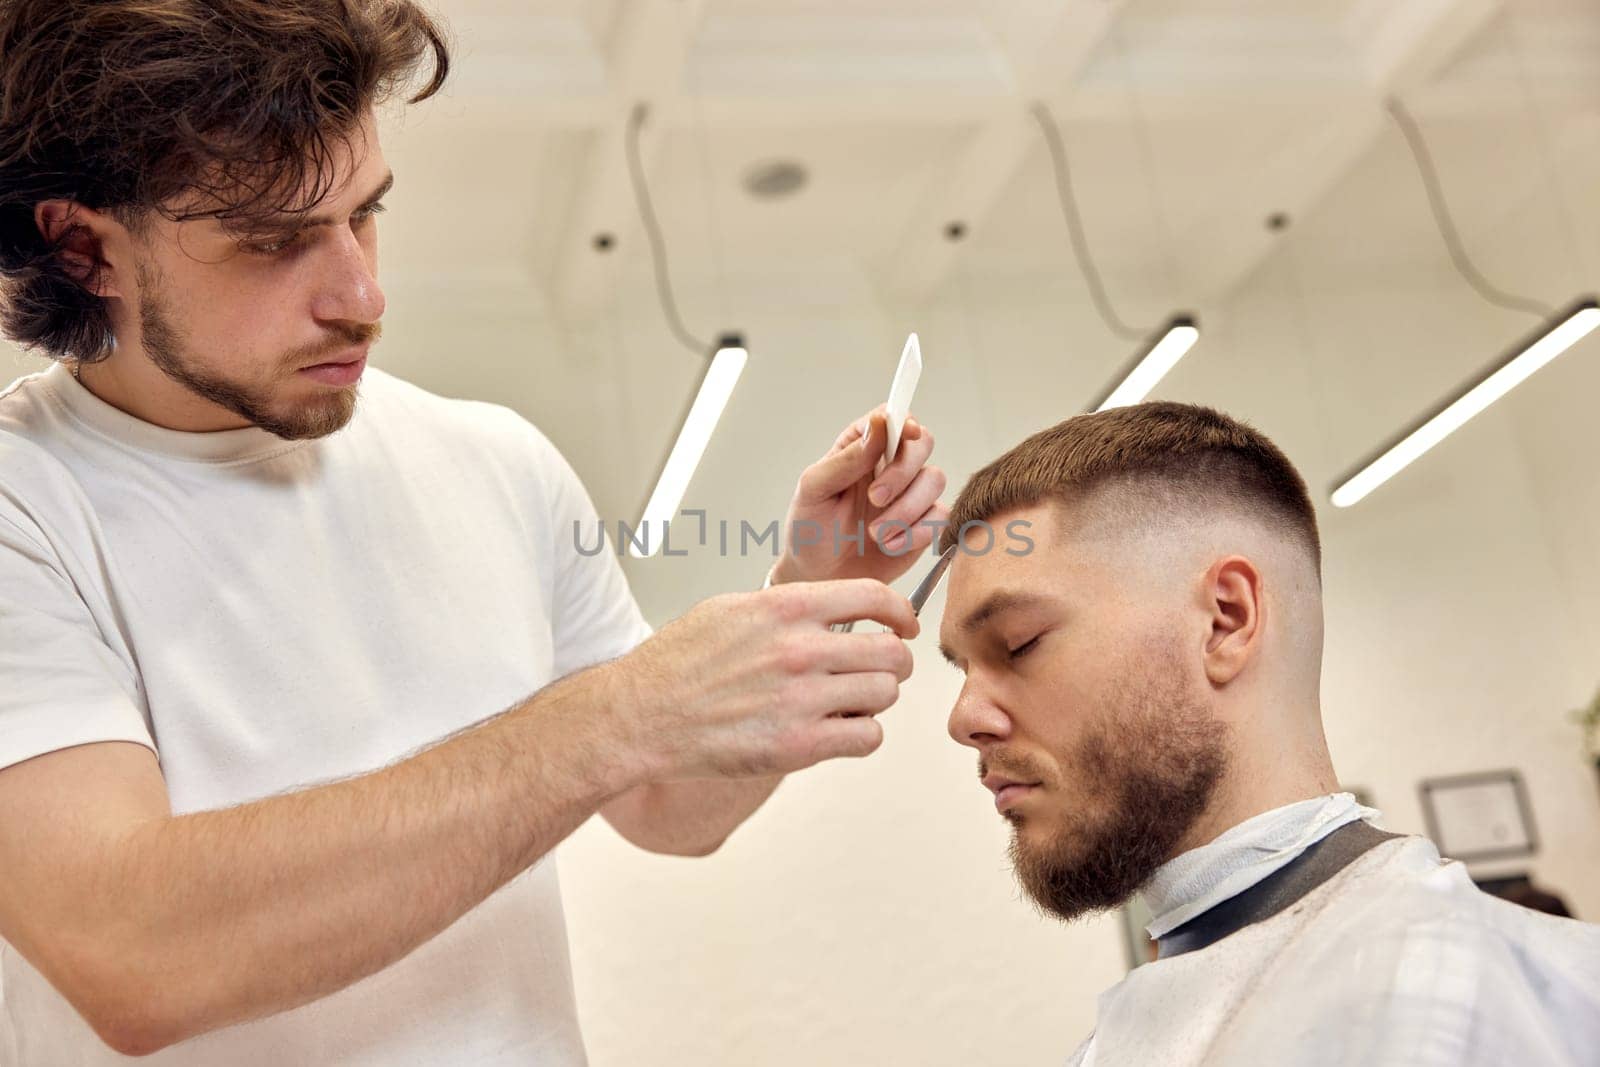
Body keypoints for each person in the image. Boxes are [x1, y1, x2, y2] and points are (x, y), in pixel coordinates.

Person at [0, 1, 948, 1062]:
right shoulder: (23, 507)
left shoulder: (496, 460)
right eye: (274, 241)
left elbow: (669, 805)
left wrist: (800, 599)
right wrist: (614, 713)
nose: (362, 293)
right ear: (84, 248)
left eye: (364, 214)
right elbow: (133, 955)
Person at [934, 402, 1600, 1066]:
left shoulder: (1473, 995)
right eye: (963, 667)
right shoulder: (1127, 1031)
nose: (965, 718)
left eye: (1017, 644)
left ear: (1225, 620)